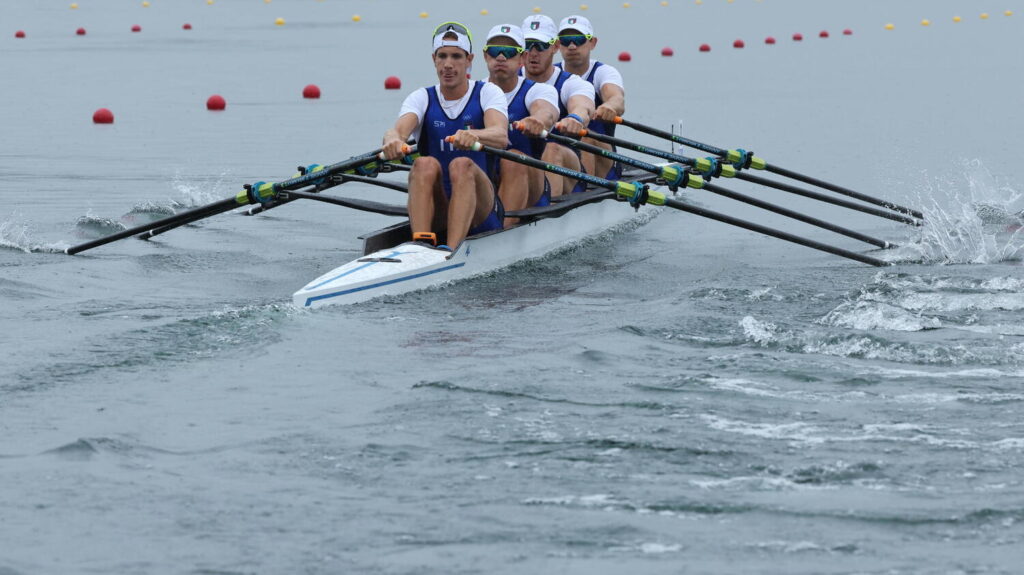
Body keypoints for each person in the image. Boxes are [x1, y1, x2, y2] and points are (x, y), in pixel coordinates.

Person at [380, 22, 510, 250]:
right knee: (423, 163)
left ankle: (451, 250)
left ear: (469, 60)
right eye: (442, 56)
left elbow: (500, 135)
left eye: (456, 56)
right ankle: (420, 245)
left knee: (462, 164)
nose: (448, 64)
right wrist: (392, 140)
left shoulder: (487, 92)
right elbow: (398, 131)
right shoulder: (421, 97)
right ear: (434, 59)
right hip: (440, 209)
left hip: (482, 212)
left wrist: (475, 135)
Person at [481, 23, 560, 226]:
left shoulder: (538, 91)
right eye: (494, 51)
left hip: (531, 186)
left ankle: (502, 233)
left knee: (513, 159)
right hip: (484, 181)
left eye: (509, 52)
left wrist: (538, 121)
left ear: (522, 59)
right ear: (485, 56)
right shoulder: (471, 92)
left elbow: (546, 112)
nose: (500, 57)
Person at [521, 14, 596, 197]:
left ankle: (549, 212)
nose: (533, 52)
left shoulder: (572, 83)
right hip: (519, 167)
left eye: (541, 45)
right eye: (527, 45)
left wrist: (575, 118)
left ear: (555, 46)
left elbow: (583, 107)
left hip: (567, 168)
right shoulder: (504, 82)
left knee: (551, 149)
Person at [556, 15, 626, 180]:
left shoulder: (603, 73)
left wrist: (609, 107)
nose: (572, 46)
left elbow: (617, 99)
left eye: (579, 39)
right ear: (558, 45)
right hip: (560, 154)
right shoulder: (551, 75)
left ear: (592, 43)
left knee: (585, 135)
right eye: (566, 40)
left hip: (603, 159)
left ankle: (582, 191)